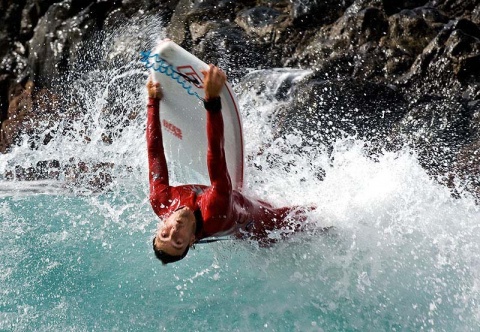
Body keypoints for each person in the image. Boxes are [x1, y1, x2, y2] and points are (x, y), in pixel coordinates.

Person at [147, 65, 311, 265]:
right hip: (261, 226)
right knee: (310, 220)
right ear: (191, 240)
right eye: (178, 241)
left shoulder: (161, 200)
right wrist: (212, 100)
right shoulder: (214, 212)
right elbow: (216, 155)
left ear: (160, 226)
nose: (174, 231)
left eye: (164, 235)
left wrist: (153, 102)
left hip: (235, 212)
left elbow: (155, 153)